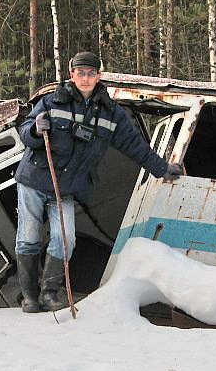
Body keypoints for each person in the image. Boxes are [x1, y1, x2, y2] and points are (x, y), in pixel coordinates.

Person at [14, 51, 183, 313]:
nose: (85, 78)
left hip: (65, 188)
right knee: (28, 238)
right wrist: (36, 129)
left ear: (98, 76)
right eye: (80, 73)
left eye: (91, 73)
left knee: (66, 239)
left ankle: (49, 293)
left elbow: (134, 146)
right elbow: (25, 133)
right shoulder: (51, 102)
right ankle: (29, 297)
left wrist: (162, 169)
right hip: (34, 180)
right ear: (72, 75)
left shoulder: (110, 113)